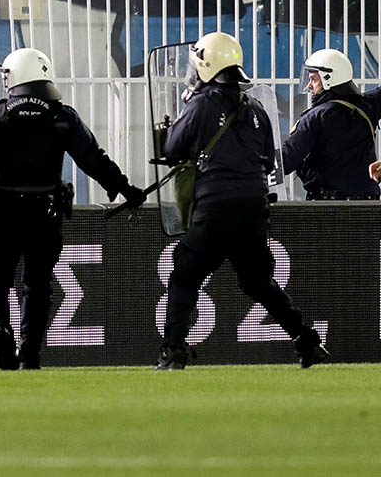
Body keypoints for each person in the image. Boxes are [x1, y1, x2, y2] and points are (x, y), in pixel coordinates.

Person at [0, 47, 145, 370]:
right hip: (44, 215)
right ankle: (29, 354)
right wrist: (125, 189)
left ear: (12, 77)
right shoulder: (62, 116)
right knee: (38, 286)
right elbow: (93, 159)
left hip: (3, 214)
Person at [157, 32, 328, 369]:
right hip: (253, 207)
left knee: (185, 275)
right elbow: (268, 160)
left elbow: (172, 148)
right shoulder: (257, 109)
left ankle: (173, 350)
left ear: (207, 65)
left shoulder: (200, 104)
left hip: (214, 207)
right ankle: (307, 341)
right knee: (258, 281)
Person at [282, 49, 381, 200]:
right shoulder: (368, 105)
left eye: (314, 79)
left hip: (327, 205)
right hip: (368, 203)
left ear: (328, 79)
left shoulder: (315, 118)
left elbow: (287, 159)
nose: (310, 85)